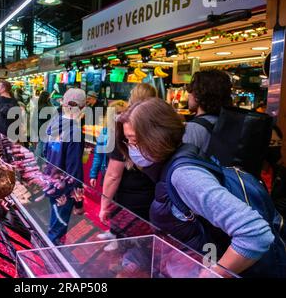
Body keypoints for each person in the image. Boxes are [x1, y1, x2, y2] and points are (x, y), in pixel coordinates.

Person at [117, 97, 280, 277]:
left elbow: (255, 233)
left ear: (156, 137)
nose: (130, 148)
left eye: (133, 140)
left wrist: (211, 274)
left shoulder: (184, 175)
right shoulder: (176, 161)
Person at [98, 83, 157, 248]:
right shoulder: (158, 126)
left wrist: (104, 205)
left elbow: (113, 174)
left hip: (130, 195)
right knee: (144, 240)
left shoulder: (125, 125)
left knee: (130, 242)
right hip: (153, 195)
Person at [44, 88, 87, 244]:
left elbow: (44, 151)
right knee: (57, 231)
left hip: (50, 181)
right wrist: (79, 201)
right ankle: (50, 263)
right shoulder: (74, 131)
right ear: (83, 108)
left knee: (54, 224)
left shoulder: (54, 122)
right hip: (65, 189)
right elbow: (74, 170)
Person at [183, 70, 232, 151]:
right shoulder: (228, 123)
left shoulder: (192, 129)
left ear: (199, 95)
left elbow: (184, 161)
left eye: (191, 90)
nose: (188, 94)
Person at [89, 100, 128, 188]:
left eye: (123, 112)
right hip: (106, 173)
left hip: (125, 176)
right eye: (118, 113)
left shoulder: (129, 134)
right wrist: (93, 175)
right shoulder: (105, 132)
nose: (120, 115)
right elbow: (98, 155)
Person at [31, 91, 52, 165]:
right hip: (45, 130)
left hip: (38, 129)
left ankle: (36, 161)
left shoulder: (37, 106)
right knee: (44, 147)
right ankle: (42, 163)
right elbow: (50, 120)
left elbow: (33, 120)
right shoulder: (48, 107)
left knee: (40, 145)